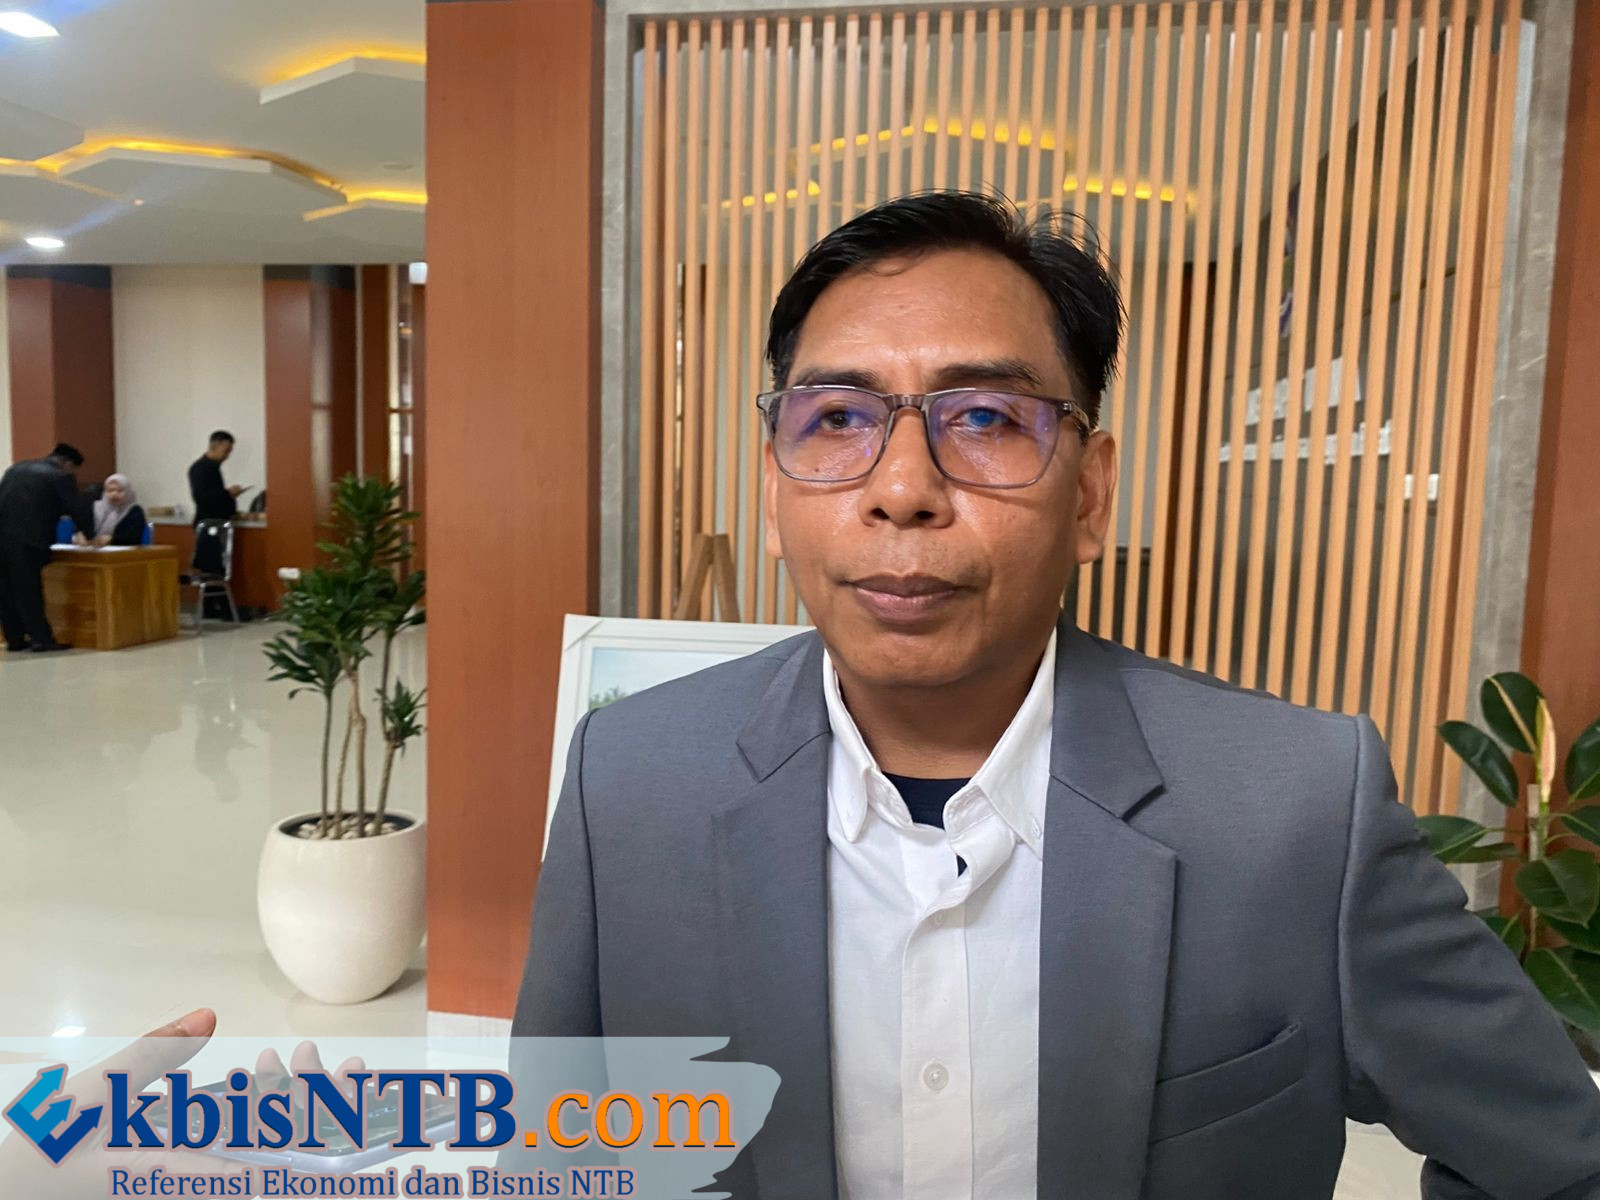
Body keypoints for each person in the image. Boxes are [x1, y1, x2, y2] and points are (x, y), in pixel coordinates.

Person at [513, 193, 1600, 1199]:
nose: (902, 489)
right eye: (837, 417)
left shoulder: (1300, 812)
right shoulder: (629, 780)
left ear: (1089, 495)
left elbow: (1558, 1164)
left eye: (986, 417)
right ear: (773, 486)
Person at [0, 443, 93, 653]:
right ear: (68, 463)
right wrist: (90, 534)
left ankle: (14, 639)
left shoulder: (15, 469)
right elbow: (77, 508)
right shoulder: (60, 476)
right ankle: (42, 639)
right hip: (30, 541)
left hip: (2, 539)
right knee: (29, 591)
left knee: (6, 591)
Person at [73, 472, 147, 547]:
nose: (114, 494)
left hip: (120, 552)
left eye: (120, 491)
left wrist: (112, 539)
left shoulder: (134, 511)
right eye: (110, 490)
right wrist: (79, 535)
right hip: (91, 550)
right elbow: (80, 528)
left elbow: (133, 538)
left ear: (128, 492)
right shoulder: (95, 507)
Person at [187, 429, 244, 524]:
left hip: (219, 522)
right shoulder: (200, 468)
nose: (227, 456)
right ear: (214, 446)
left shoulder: (214, 467)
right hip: (209, 523)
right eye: (226, 451)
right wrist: (229, 493)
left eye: (229, 452)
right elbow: (202, 498)